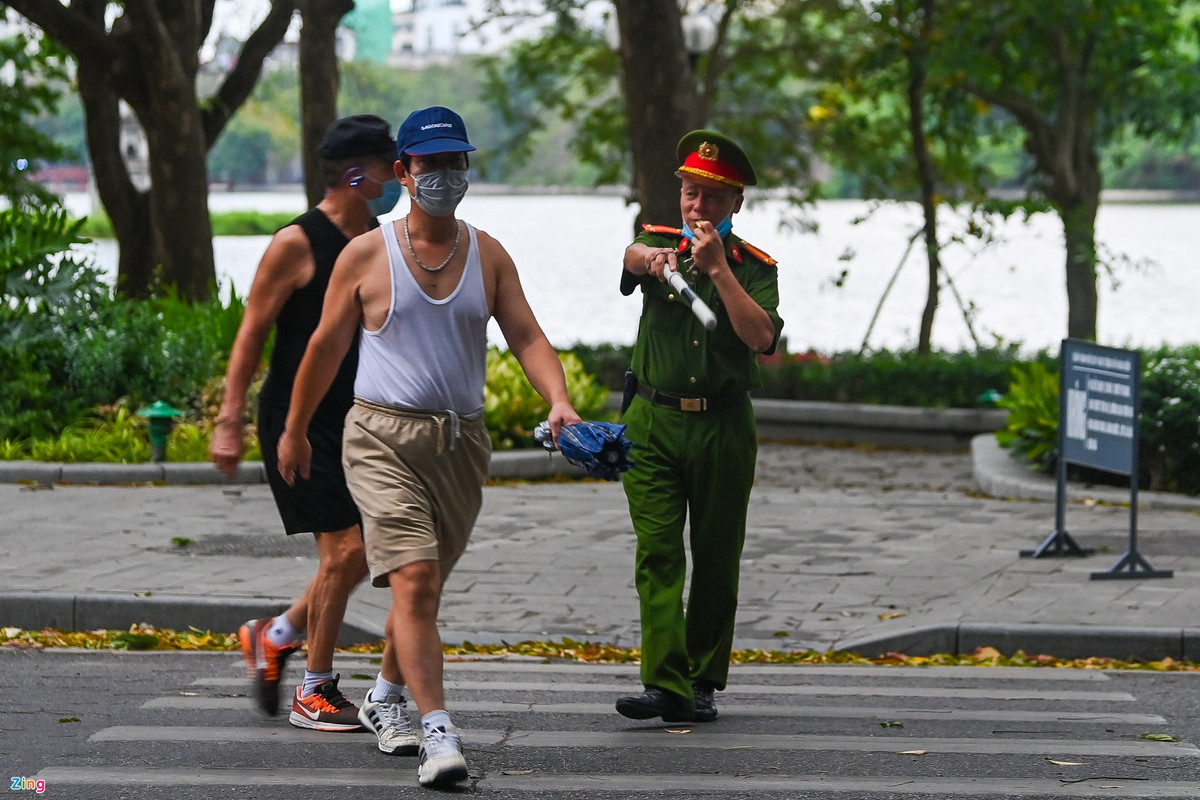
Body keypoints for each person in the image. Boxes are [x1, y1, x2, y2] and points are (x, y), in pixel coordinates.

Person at [276, 105, 582, 788]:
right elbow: (324, 348)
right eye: (430, 164)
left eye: (455, 162)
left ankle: (385, 698)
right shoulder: (366, 254)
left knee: (426, 587)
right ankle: (438, 732)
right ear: (405, 172)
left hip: (461, 443)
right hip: (381, 436)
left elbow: (527, 336)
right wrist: (293, 430)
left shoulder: (488, 253)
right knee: (413, 580)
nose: (444, 175)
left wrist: (558, 400)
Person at [211, 114, 407, 736]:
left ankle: (275, 636)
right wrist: (229, 419)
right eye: (388, 166)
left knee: (365, 552)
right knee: (346, 548)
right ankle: (314, 691)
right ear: (357, 174)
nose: (400, 176)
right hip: (298, 421)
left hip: (360, 420)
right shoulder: (297, 243)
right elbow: (250, 337)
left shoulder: (378, 240)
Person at [615, 130, 783, 723]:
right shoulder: (659, 244)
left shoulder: (754, 267)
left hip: (723, 426)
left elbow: (760, 337)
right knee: (658, 552)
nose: (697, 206)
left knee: (715, 555)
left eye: (713, 197)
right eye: (690, 192)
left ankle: (701, 678)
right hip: (653, 422)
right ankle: (665, 682)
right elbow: (632, 258)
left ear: (735, 202)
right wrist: (651, 260)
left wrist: (718, 271)